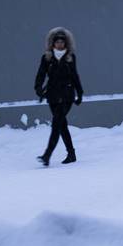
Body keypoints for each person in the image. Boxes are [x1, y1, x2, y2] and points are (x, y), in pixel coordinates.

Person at [34, 27, 84, 166]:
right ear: (53, 43)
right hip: (53, 96)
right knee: (62, 125)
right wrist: (38, 88)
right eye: (57, 42)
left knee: (57, 123)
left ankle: (47, 155)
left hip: (67, 95)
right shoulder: (47, 58)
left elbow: (75, 76)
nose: (60, 44)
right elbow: (41, 74)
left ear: (66, 43)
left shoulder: (70, 58)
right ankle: (71, 154)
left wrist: (80, 93)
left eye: (62, 42)